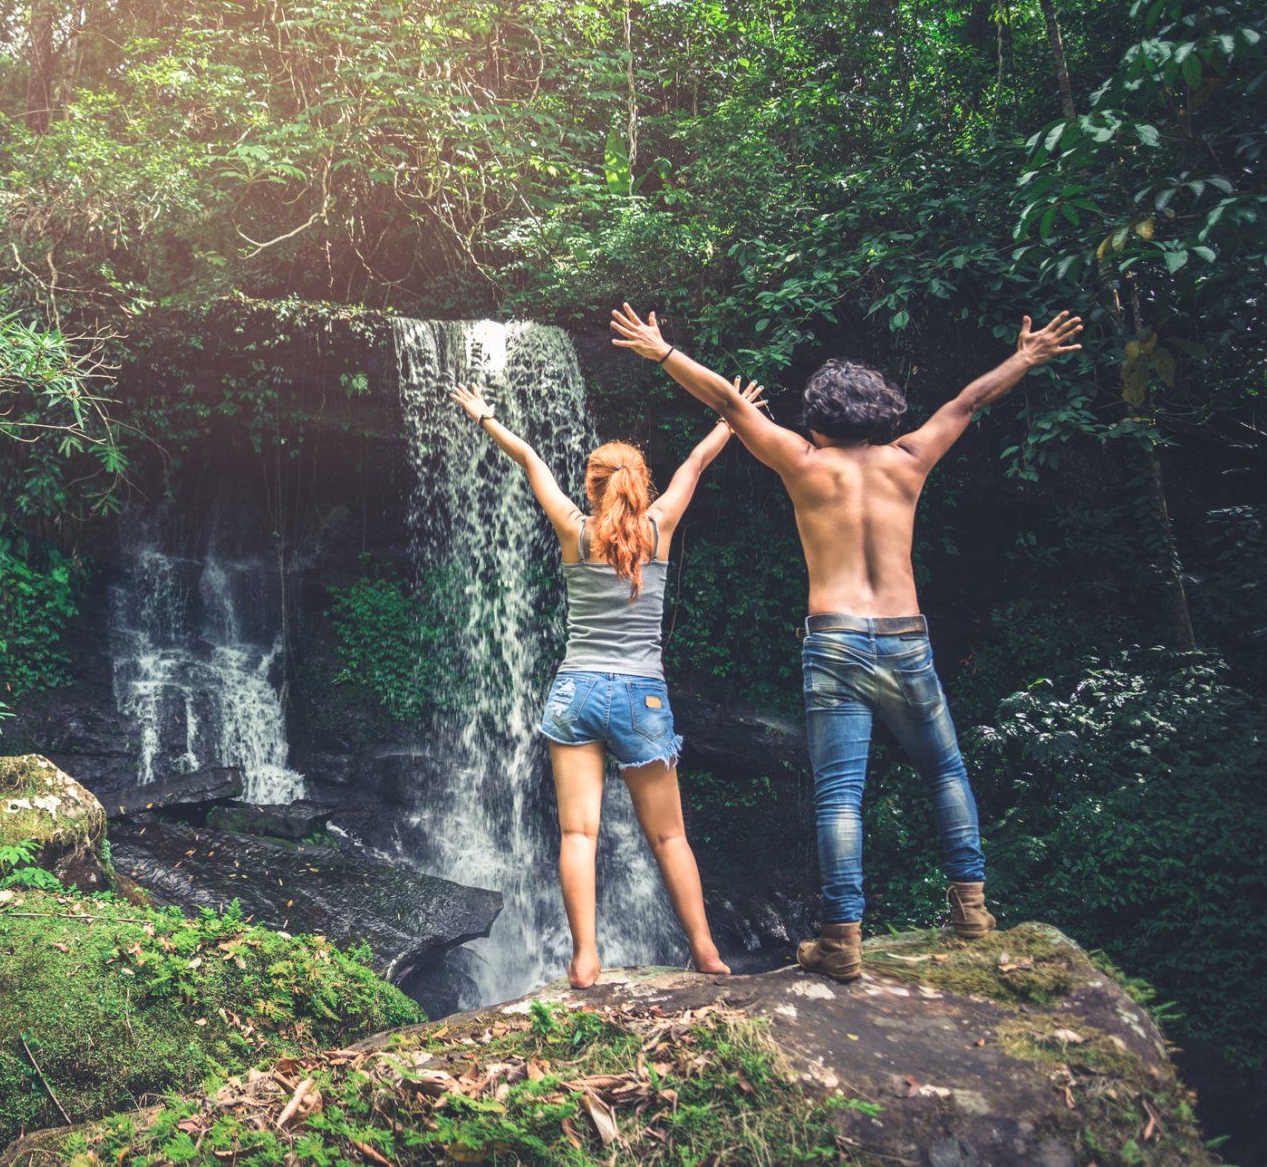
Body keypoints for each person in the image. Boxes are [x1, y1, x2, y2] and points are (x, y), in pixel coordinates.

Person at [607, 302, 1084, 981]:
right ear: (882, 413)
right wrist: (1027, 357)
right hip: (905, 637)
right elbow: (969, 399)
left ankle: (843, 941)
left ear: (819, 417)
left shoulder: (803, 463)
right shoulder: (910, 458)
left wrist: (660, 352)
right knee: (945, 770)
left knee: (838, 794)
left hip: (833, 643)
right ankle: (973, 913)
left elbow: (727, 403)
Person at [447, 377, 764, 986]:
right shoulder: (660, 527)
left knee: (578, 832)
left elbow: (530, 459)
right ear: (641, 485)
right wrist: (732, 417)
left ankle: (585, 959)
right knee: (670, 836)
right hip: (642, 696)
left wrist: (486, 415)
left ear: (591, 488)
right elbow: (696, 463)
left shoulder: (576, 530)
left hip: (576, 692)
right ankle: (705, 952)